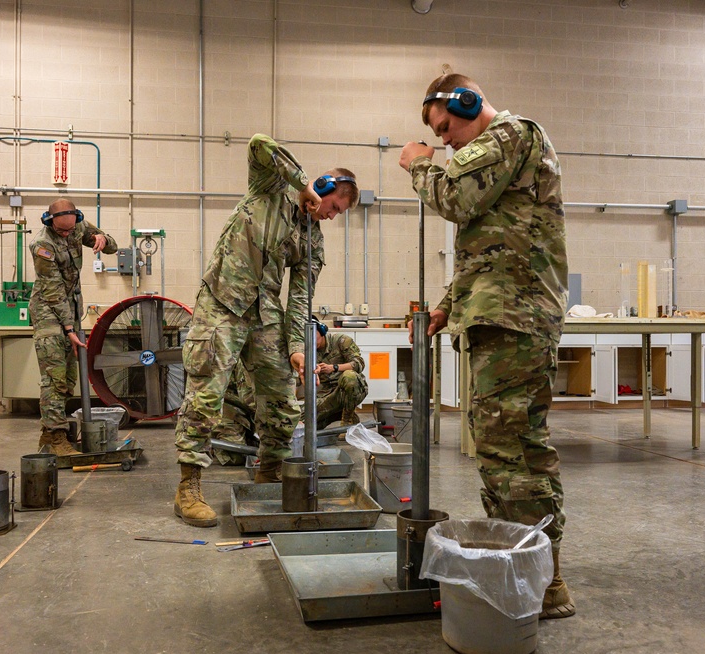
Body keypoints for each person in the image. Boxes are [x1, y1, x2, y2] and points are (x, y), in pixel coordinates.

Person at [398, 73, 572, 619]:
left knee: (511, 454)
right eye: (438, 136)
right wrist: (449, 304)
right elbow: (488, 245)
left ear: (468, 102)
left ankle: (542, 581)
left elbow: (456, 199)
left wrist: (418, 162)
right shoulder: (501, 153)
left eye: (446, 128)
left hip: (516, 320)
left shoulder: (512, 134)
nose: (446, 141)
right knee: (509, 450)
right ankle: (530, 571)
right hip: (504, 316)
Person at [173, 133, 360, 528]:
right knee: (206, 394)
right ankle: (188, 487)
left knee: (280, 401)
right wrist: (301, 183)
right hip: (223, 302)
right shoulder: (270, 186)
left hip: (266, 315)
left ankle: (269, 473)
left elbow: (300, 299)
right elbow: (260, 143)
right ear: (323, 188)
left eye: (338, 213)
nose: (331, 215)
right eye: (334, 205)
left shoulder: (312, 241)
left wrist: (296, 345)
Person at [29, 198, 119, 457]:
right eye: (62, 231)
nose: (67, 235)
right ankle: (56, 437)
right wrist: (68, 328)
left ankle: (49, 435)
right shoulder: (42, 245)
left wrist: (103, 239)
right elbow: (53, 289)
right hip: (49, 311)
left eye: (71, 230)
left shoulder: (77, 226)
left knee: (69, 375)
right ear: (49, 221)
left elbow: (111, 246)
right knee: (54, 376)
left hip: (71, 309)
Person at [310, 316, 368, 430]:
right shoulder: (306, 351)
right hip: (328, 393)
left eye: (313, 335)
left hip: (350, 389)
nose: (311, 340)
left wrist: (334, 367)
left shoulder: (341, 341)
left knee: (349, 377)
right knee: (304, 420)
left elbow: (359, 364)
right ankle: (335, 415)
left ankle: (348, 418)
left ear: (321, 331)